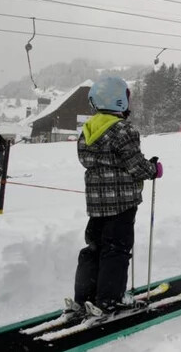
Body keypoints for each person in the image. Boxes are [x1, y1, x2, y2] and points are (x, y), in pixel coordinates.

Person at [71, 76, 161, 319]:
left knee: (95, 247)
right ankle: (110, 300)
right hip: (122, 203)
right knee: (117, 249)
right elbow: (135, 166)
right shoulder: (124, 129)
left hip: (97, 204)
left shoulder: (88, 129)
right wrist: (153, 170)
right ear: (119, 99)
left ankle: (85, 298)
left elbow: (89, 161)